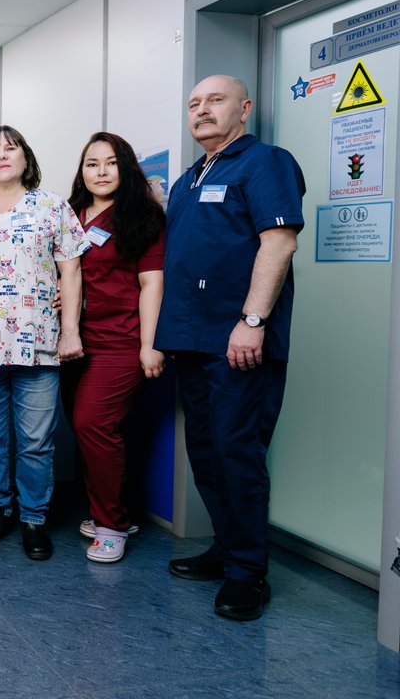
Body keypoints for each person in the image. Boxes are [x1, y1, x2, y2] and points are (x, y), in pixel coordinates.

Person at [157, 75, 304, 621]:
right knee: (206, 450)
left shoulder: (266, 162)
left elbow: (279, 242)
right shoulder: (188, 179)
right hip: (191, 341)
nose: (202, 110)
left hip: (239, 340)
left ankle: (248, 573)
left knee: (236, 451)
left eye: (215, 100)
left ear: (244, 108)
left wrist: (252, 320)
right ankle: (226, 547)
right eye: (193, 103)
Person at [0, 125, 88, 560]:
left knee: (36, 443)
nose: (2, 156)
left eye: (11, 149)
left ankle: (33, 518)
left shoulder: (52, 207)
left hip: (39, 343)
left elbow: (71, 271)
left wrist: (70, 331)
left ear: (26, 158)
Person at [62, 132, 166, 564]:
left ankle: (112, 525)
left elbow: (152, 283)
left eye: (110, 163)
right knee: (88, 431)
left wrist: (150, 345)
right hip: (73, 342)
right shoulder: (70, 214)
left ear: (125, 168)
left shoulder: (143, 216)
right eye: (92, 163)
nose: (101, 172)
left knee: (93, 423)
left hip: (122, 341)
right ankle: (109, 510)